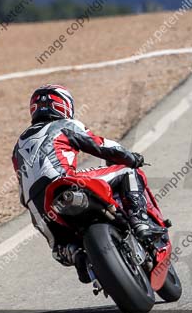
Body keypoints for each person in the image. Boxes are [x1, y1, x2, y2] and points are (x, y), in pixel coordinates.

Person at [11, 84, 164, 283]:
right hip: (66, 182)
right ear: (64, 105)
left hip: (36, 205)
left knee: (60, 248)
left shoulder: (19, 144)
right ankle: (140, 221)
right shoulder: (64, 124)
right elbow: (100, 145)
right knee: (127, 172)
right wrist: (131, 157)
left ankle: (77, 256)